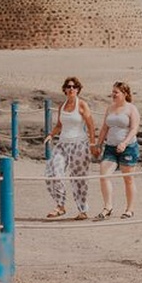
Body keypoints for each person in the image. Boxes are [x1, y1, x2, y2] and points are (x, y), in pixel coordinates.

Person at [43, 77, 97, 220]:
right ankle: (60, 205)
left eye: (74, 87)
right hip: (62, 144)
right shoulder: (62, 106)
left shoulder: (82, 105)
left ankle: (83, 210)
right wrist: (51, 135)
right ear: (65, 89)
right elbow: (59, 125)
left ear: (78, 89)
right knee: (52, 172)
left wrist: (92, 144)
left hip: (79, 144)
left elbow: (91, 125)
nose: (71, 89)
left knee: (79, 178)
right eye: (68, 86)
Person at [94, 81, 141, 220]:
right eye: (112, 92)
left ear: (124, 94)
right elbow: (104, 127)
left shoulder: (131, 109)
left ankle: (129, 209)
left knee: (128, 179)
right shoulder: (110, 108)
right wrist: (99, 144)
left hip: (128, 147)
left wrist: (125, 143)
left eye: (116, 92)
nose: (113, 94)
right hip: (110, 147)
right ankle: (108, 206)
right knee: (104, 175)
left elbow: (134, 128)